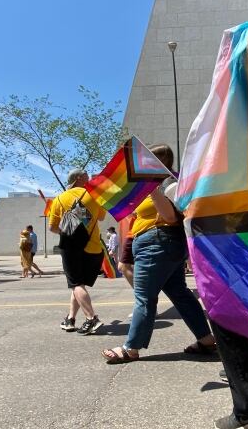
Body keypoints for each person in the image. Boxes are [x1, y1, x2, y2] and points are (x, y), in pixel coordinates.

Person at [101, 144, 216, 363]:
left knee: (144, 297)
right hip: (160, 244)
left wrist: (152, 189)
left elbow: (171, 217)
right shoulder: (157, 183)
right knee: (180, 294)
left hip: (158, 243)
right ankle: (206, 339)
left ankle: (131, 348)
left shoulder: (166, 183)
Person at [49, 168, 106, 335]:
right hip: (94, 247)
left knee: (76, 284)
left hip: (72, 248)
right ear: (79, 178)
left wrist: (69, 230)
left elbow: (52, 227)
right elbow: (101, 217)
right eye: (86, 176)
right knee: (78, 284)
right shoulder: (94, 195)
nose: (89, 178)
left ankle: (91, 318)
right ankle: (70, 319)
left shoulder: (59, 199)